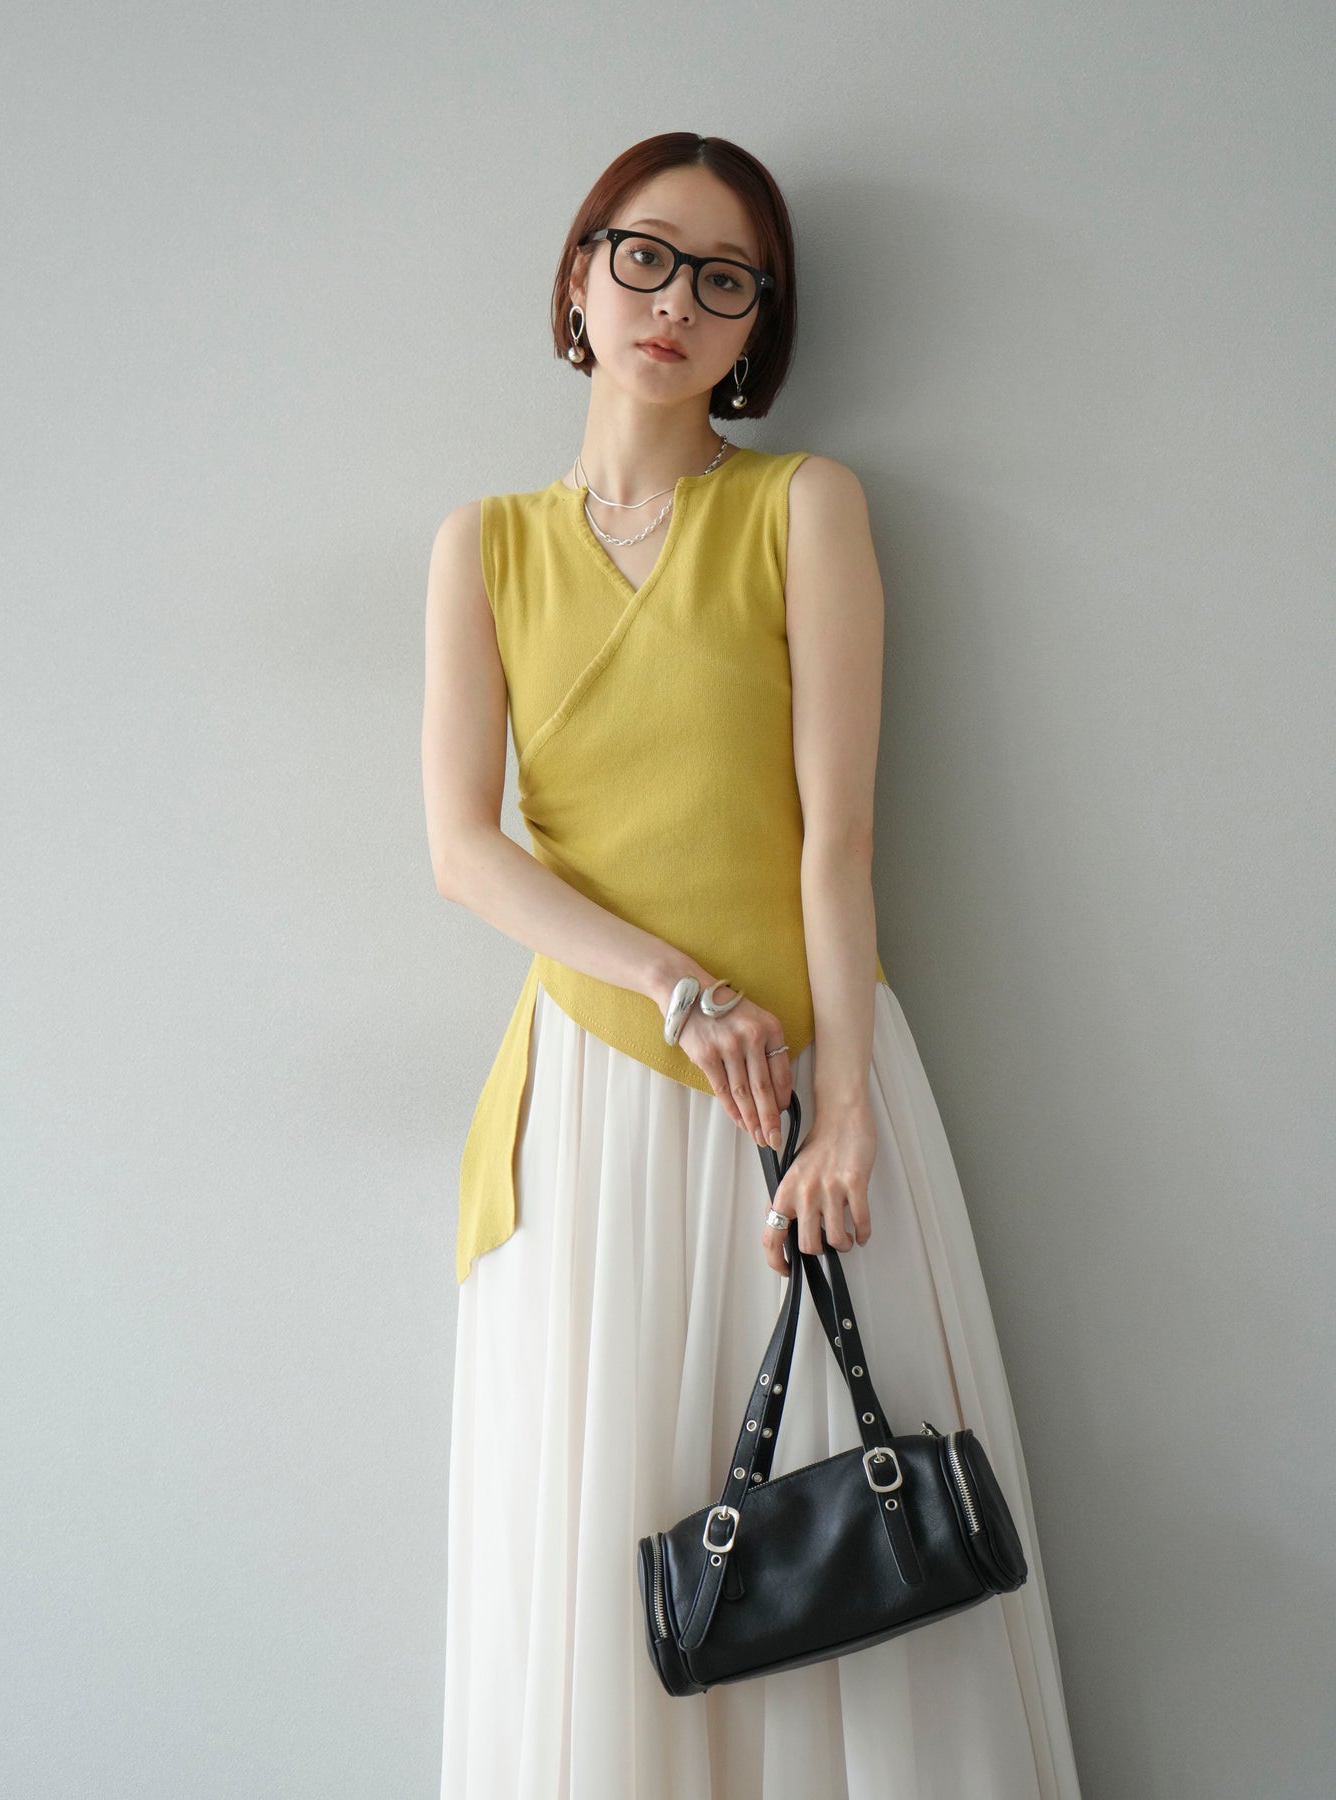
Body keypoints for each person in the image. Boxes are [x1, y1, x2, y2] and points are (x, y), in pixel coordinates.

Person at [422, 131, 1084, 1798]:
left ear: (755, 325)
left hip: (798, 1092)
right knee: (609, 1533)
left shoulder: (803, 504)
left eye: (724, 280)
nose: (676, 303)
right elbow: (464, 849)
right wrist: (676, 989)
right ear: (580, 276)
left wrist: (843, 1112)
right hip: (589, 1102)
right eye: (644, 257)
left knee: (855, 1516)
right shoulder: (481, 545)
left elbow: (835, 841)